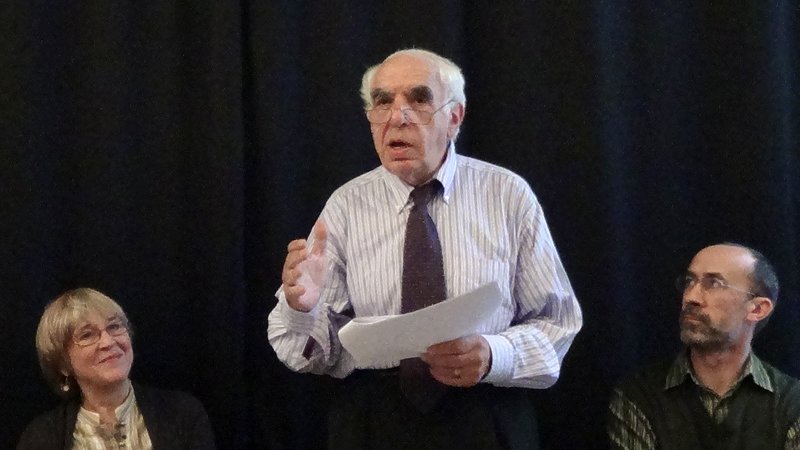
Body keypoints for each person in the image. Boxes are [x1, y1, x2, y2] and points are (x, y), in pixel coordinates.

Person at [268, 48, 582, 449]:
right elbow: (312, 354)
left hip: (484, 412)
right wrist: (304, 309)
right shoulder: (346, 205)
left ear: (455, 117)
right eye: (383, 102)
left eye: (419, 99)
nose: (397, 117)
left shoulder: (507, 195)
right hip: (375, 419)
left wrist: (494, 354)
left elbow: (557, 322)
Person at [607, 243, 800, 449]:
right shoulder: (640, 394)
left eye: (714, 283)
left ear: (757, 309)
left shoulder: (792, 402)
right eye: (689, 281)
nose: (690, 297)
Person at [17, 288, 216, 450]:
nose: (108, 342)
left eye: (114, 327)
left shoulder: (183, 414)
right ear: (63, 364)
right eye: (87, 335)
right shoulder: (41, 437)